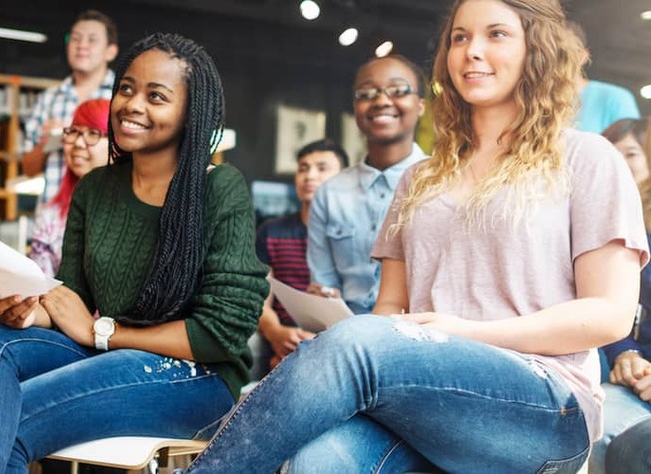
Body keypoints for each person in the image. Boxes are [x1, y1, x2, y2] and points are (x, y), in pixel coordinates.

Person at [178, 0, 648, 472]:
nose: (472, 51)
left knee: (356, 340)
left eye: (496, 35)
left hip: (545, 404)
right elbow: (389, 310)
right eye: (459, 37)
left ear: (537, 50)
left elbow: (609, 315)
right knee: (320, 460)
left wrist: (470, 334)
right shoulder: (420, 178)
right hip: (427, 401)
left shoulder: (587, 157)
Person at [0, 32, 268, 473]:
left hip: (198, 378)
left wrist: (104, 334)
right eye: (127, 89)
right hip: (108, 355)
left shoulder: (219, 187)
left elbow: (223, 332)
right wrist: (25, 309)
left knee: (6, 419)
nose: (132, 104)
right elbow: (72, 299)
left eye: (156, 96)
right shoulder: (96, 188)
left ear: (191, 114)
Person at [306, 53, 427, 314]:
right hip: (346, 333)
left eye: (398, 90)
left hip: (421, 337)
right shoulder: (329, 194)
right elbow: (323, 283)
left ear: (420, 105)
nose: (381, 101)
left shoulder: (443, 183)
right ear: (355, 107)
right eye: (367, 93)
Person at [586, 117, 651, 473]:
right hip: (628, 381)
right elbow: (608, 306)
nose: (618, 165)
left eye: (631, 154)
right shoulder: (602, 226)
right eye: (609, 155)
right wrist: (625, 352)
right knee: (598, 423)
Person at [253, 138, 346, 376]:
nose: (310, 176)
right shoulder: (271, 231)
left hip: (339, 346)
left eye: (322, 168)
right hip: (283, 343)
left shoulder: (354, 236)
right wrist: (276, 333)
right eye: (303, 168)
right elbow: (259, 298)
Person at [20, 10, 118, 203]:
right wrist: (50, 141)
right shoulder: (48, 99)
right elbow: (28, 169)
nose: (82, 45)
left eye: (92, 40)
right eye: (75, 38)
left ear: (110, 51)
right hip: (53, 219)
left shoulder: (122, 97)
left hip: (105, 212)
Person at [27, 98, 110, 277]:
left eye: (93, 133)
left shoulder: (133, 212)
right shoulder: (51, 217)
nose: (78, 143)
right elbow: (37, 287)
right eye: (74, 132)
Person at [567, 21, 640, 134]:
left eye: (563, 53)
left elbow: (629, 148)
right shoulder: (538, 102)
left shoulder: (616, 98)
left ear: (582, 56)